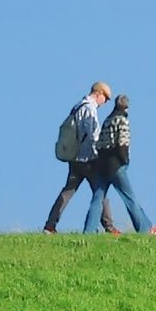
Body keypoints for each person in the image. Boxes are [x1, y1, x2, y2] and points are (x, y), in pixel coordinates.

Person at [85, 95, 156, 235]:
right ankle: (145, 228)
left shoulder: (107, 120)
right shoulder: (122, 120)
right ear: (126, 107)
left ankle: (89, 230)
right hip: (116, 166)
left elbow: (99, 144)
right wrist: (124, 161)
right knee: (129, 197)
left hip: (102, 165)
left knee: (97, 198)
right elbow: (122, 144)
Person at [44, 81, 111, 232]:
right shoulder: (89, 109)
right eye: (105, 98)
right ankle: (110, 227)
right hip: (88, 159)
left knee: (67, 191)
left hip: (74, 158)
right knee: (100, 192)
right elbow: (93, 135)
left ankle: (50, 225)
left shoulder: (78, 106)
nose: (105, 102)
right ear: (99, 93)